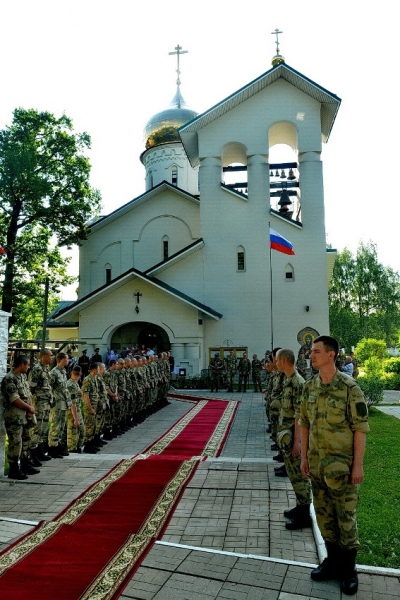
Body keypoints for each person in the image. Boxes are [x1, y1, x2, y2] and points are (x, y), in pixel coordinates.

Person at [300, 335, 369, 596]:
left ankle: (349, 570)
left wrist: (358, 466)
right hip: (317, 466)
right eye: (311, 351)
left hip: (342, 468)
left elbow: (360, 429)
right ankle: (331, 562)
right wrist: (305, 457)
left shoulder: (350, 387)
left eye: (316, 351)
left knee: (346, 518)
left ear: (331, 355)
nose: (311, 355)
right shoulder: (310, 387)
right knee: (324, 515)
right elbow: (304, 422)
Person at [275, 349, 312, 529]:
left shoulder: (297, 382)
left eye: (276, 360)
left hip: (294, 437)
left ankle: (305, 515)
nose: (274, 363)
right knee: (292, 474)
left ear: (283, 361)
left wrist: (298, 442)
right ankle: (300, 507)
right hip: (287, 436)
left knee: (299, 476)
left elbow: (300, 415)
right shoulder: (289, 380)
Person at [1, 355, 37, 480]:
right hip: (15, 416)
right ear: (22, 365)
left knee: (26, 439)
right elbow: (14, 399)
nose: (29, 367)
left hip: (25, 415)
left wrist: (30, 409)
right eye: (27, 364)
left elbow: (28, 395)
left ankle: (25, 463)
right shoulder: (10, 379)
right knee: (16, 442)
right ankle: (14, 469)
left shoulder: (22, 377)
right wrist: (29, 408)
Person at [28, 348, 54, 464]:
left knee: (43, 429)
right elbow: (31, 389)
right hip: (38, 404)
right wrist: (30, 406)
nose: (52, 357)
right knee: (36, 429)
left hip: (46, 404)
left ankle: (39, 452)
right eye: (50, 355)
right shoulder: (37, 370)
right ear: (43, 356)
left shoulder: (47, 369)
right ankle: (32, 455)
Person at [48, 352, 71, 458]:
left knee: (61, 426)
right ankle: (52, 448)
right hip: (57, 403)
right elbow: (49, 388)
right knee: (55, 426)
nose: (68, 360)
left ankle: (58, 446)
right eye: (67, 358)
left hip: (64, 403)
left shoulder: (63, 372)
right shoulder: (54, 373)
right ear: (61, 359)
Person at [66, 366, 85, 453]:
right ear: (80, 374)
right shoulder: (71, 385)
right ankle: (73, 450)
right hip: (72, 413)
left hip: (77, 411)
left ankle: (78, 448)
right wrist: (75, 419)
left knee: (81, 431)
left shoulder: (74, 383)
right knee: (73, 434)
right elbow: (72, 403)